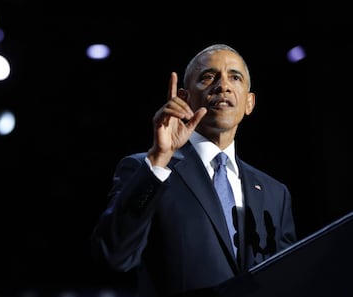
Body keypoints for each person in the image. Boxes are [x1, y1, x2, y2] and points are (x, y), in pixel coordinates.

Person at [90, 43, 297, 297]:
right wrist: (158, 158)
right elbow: (114, 256)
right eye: (209, 77)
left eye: (235, 77)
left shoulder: (275, 193)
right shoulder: (149, 169)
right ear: (184, 99)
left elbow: (289, 278)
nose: (223, 85)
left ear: (249, 103)